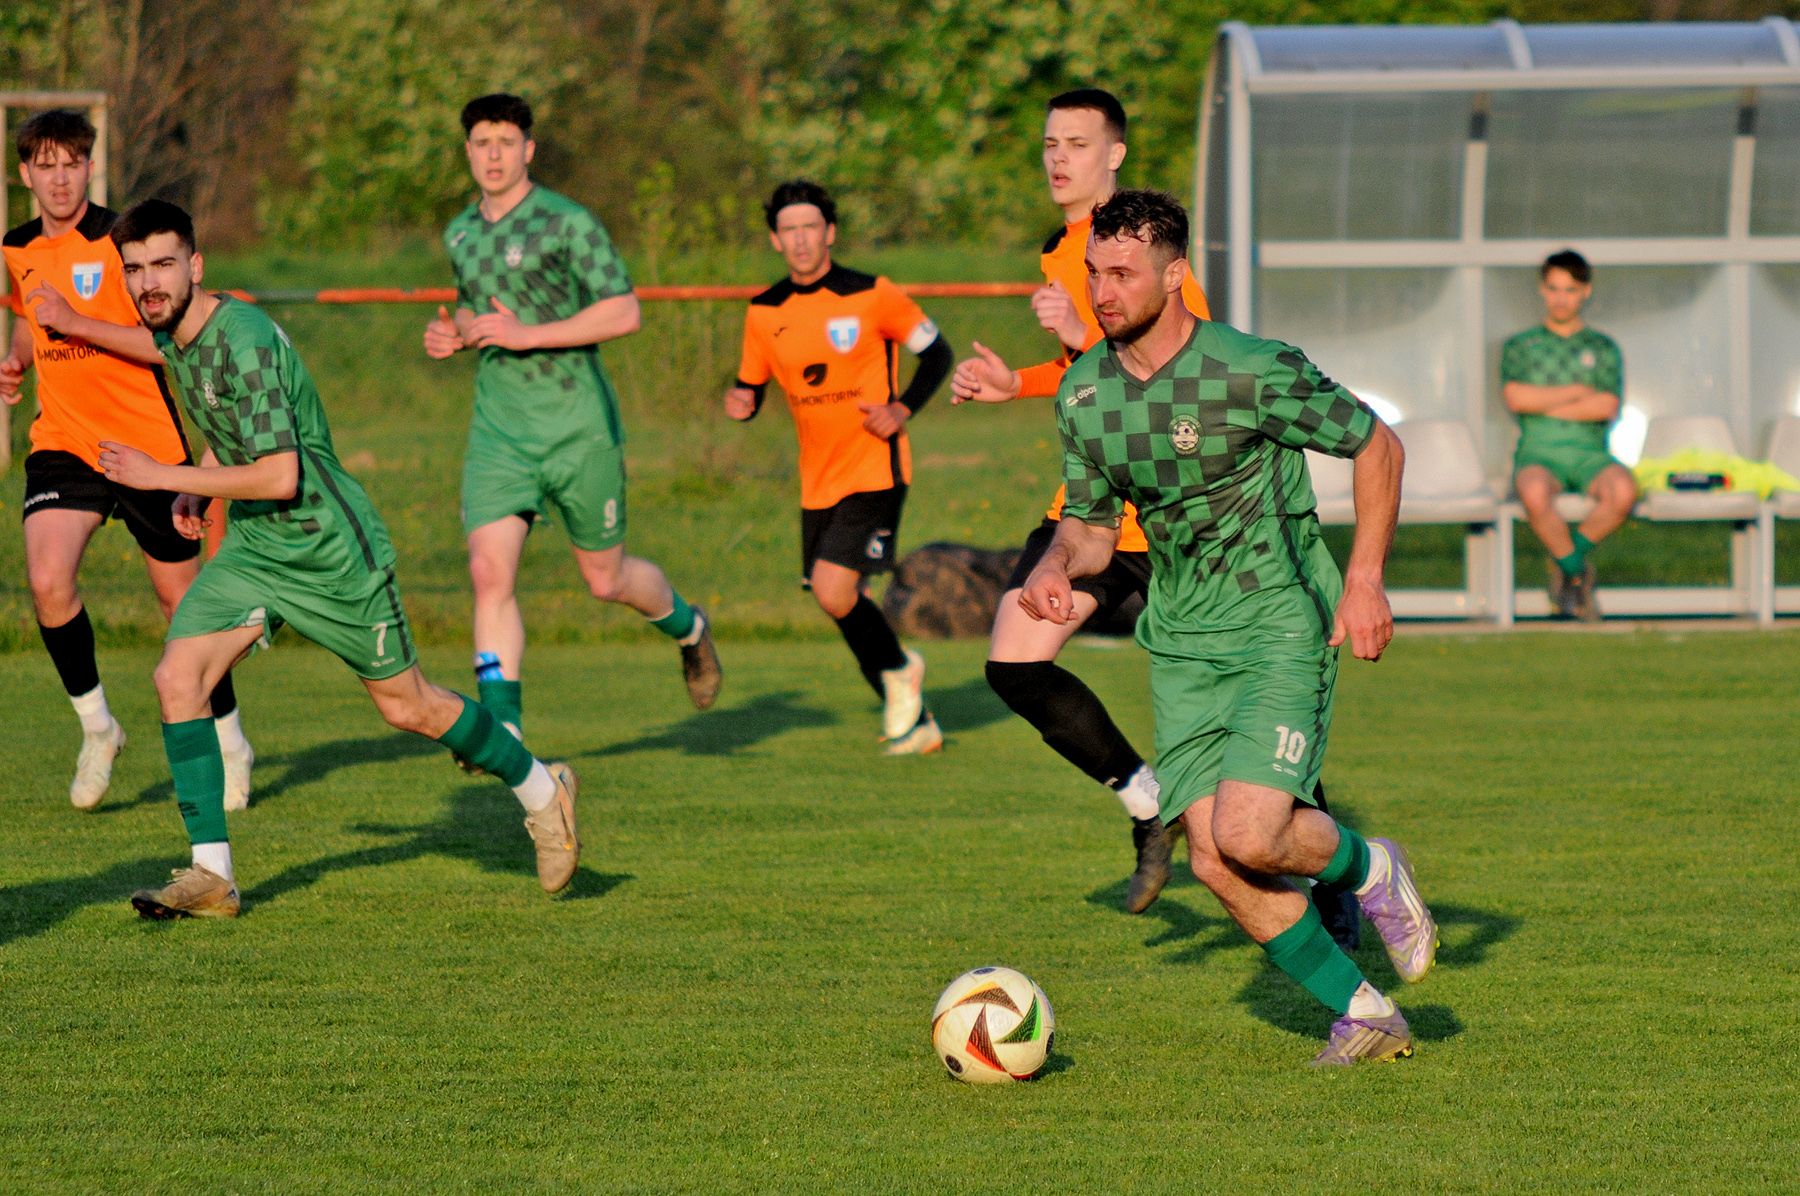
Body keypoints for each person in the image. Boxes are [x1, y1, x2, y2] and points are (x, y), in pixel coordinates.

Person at [1020, 190, 1436, 1066]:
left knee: (1250, 832)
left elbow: (1378, 446)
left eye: (1123, 273)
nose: (1103, 291)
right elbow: (1091, 526)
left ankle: (1370, 869)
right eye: (1094, 272)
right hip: (1181, 642)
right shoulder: (1085, 392)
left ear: (1175, 275)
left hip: (1278, 619)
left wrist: (1364, 580)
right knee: (1213, 858)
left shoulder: (1251, 369)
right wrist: (1055, 566)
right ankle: (1364, 1013)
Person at [948, 89, 1358, 937]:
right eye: (1050, 143)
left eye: (1078, 143)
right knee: (1014, 659)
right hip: (1095, 515)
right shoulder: (1065, 249)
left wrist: (1071, 339)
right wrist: (1019, 381)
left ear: (1116, 154)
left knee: (1246, 695)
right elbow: (1094, 380)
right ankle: (1148, 803)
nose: (1059, 158)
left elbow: (1178, 372)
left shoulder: (1143, 242)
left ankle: (1331, 879)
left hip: (1182, 519)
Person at [104, 200, 580, 919]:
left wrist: (163, 475)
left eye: (163, 264)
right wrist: (201, 486)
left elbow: (281, 474)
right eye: (135, 269)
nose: (149, 282)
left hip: (329, 547)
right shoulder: (179, 337)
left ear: (195, 266)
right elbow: (237, 428)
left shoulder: (243, 338)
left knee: (408, 706)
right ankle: (212, 874)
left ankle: (544, 790)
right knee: (178, 677)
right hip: (259, 548)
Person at [424, 93, 720, 742]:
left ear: (528, 149)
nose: (494, 156)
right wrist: (456, 333)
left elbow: (624, 311)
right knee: (488, 573)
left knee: (605, 579)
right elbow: (475, 308)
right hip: (501, 431)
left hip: (576, 428)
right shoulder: (461, 232)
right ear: (468, 151)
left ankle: (690, 628)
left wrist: (528, 335)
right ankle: (504, 735)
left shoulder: (567, 222)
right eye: (482, 144)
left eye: (506, 143)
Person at [1, 109, 253, 811]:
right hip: (64, 442)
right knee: (48, 581)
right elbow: (30, 318)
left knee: (184, 608)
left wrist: (77, 323)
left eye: (71, 163)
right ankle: (98, 728)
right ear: (25, 174)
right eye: (45, 165)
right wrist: (17, 359)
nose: (59, 178)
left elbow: (168, 343)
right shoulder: (16, 246)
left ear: (91, 167)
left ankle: (230, 737)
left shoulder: (126, 243)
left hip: (147, 447)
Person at [724, 181, 952, 754]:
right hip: (817, 479)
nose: (801, 239)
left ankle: (900, 674)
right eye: (789, 230)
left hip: (875, 468)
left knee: (833, 589)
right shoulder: (764, 311)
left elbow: (937, 353)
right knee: (844, 600)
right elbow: (750, 383)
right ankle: (916, 719)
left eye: (810, 227)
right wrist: (743, 400)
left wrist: (902, 409)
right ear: (776, 240)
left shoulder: (873, 294)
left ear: (830, 232)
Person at [1502, 249, 1636, 622]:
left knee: (1623, 491)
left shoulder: (1603, 347)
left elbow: (1607, 406)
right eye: (1554, 289)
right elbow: (1515, 398)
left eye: (1570, 290)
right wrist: (1577, 391)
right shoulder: (1521, 345)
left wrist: (1541, 402)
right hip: (1538, 452)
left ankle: (1564, 559)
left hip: (1589, 452)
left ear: (1585, 291)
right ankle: (1577, 572)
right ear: (1542, 289)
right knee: (1533, 491)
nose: (1561, 299)